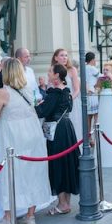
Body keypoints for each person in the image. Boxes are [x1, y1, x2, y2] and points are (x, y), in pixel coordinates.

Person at [0, 58, 51, 224]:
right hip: (32, 132)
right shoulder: (28, 88)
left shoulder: (3, 92)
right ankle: (30, 217)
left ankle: (8, 219)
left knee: (11, 173)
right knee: (32, 172)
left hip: (13, 135)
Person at [35, 63, 79, 215]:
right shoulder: (66, 92)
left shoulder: (54, 93)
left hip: (57, 131)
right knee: (67, 163)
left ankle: (62, 204)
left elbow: (42, 111)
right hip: (67, 128)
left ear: (56, 76)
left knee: (58, 164)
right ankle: (66, 202)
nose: (48, 73)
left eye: (50, 71)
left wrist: (34, 105)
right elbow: (69, 108)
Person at [49, 49, 81, 140]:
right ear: (56, 58)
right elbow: (50, 87)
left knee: (74, 126)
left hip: (71, 102)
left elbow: (77, 89)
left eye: (66, 55)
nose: (65, 58)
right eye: (62, 55)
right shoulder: (52, 70)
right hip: (58, 104)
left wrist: (69, 99)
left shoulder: (72, 70)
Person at [84, 51, 100, 144]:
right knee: (96, 116)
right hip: (92, 92)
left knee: (88, 117)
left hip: (87, 92)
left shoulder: (84, 68)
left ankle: (89, 137)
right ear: (93, 59)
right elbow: (101, 77)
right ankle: (96, 136)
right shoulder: (92, 68)